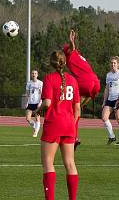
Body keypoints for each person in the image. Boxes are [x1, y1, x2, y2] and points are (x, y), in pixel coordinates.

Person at [40, 50, 81, 200]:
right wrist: (73, 126)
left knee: (48, 164)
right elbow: (77, 109)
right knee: (70, 164)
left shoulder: (49, 78)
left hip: (53, 125)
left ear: (51, 63)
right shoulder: (73, 80)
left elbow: (47, 103)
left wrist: (37, 110)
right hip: (69, 125)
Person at [63, 29, 100, 149]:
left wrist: (71, 42)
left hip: (84, 82)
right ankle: (74, 137)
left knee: (74, 112)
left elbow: (70, 48)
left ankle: (72, 137)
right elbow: (73, 48)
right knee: (77, 110)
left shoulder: (70, 54)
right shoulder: (79, 56)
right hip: (95, 82)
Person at [101, 56, 119, 145]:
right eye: (111, 63)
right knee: (104, 117)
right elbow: (107, 88)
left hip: (118, 99)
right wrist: (104, 101)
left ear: (118, 64)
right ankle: (112, 136)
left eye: (114, 63)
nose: (113, 64)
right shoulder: (108, 75)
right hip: (110, 99)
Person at [25, 69, 43, 137]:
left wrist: (40, 102)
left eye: (35, 73)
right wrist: (27, 102)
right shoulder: (29, 83)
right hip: (30, 102)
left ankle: (35, 132)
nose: (34, 75)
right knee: (28, 118)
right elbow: (27, 93)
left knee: (37, 118)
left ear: (37, 75)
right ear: (31, 75)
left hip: (37, 103)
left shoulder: (40, 83)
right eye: (32, 73)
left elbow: (42, 93)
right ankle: (36, 127)